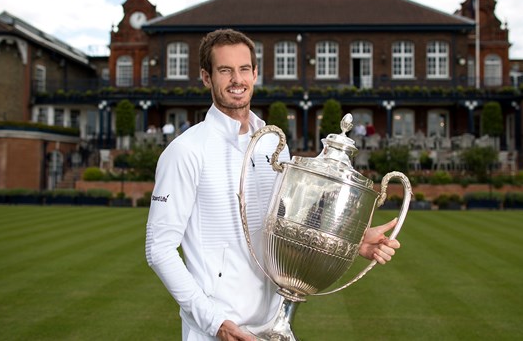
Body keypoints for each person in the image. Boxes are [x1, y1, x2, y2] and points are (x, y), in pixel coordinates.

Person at [145, 29, 401, 341]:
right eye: (225, 70)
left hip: (276, 325)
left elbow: (288, 224)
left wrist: (352, 240)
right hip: (218, 330)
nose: (236, 80)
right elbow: (158, 249)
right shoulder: (186, 150)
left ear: (255, 73)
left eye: (244, 69)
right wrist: (214, 322)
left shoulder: (271, 142)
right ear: (206, 77)